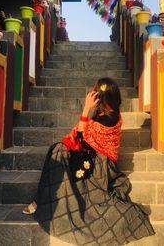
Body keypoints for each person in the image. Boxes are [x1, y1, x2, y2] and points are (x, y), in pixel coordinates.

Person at [23, 78, 155, 245]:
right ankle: (40, 199)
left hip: (102, 165)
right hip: (94, 155)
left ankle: (39, 201)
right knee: (58, 150)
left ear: (104, 98)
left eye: (98, 95)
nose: (94, 97)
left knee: (59, 152)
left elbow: (81, 137)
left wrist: (86, 108)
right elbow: (83, 139)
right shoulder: (104, 112)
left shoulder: (110, 118)